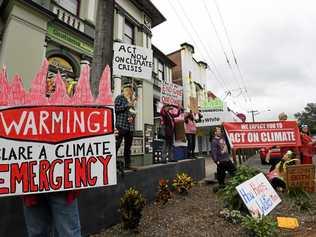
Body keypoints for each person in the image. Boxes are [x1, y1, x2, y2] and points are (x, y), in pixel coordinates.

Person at [115, 85, 136, 170]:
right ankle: (112, 165)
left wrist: (132, 117)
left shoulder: (131, 100)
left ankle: (128, 165)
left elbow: (133, 112)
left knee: (128, 147)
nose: (130, 92)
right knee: (117, 145)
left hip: (129, 127)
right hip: (121, 125)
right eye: (129, 90)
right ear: (124, 90)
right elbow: (116, 109)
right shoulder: (119, 98)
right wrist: (128, 105)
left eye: (132, 91)